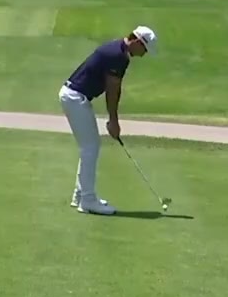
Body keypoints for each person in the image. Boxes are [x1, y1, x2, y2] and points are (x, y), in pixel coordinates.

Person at [58, 26, 156, 216]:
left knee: (89, 146)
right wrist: (113, 120)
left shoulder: (119, 51)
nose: (143, 55)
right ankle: (87, 200)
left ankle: (80, 195)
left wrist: (113, 119)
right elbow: (113, 90)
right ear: (136, 41)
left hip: (75, 97)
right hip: (75, 98)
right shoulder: (117, 56)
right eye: (144, 49)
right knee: (91, 147)